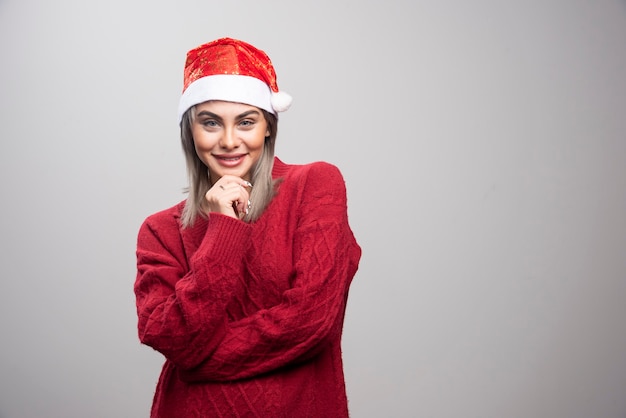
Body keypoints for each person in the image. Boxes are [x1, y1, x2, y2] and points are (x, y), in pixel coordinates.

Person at [134, 37, 362, 417]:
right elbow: (172, 336)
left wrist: (198, 361)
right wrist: (224, 227)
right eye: (210, 122)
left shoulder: (315, 186)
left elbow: (311, 321)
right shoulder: (161, 230)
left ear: (268, 127)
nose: (228, 141)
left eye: (246, 122)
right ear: (190, 131)